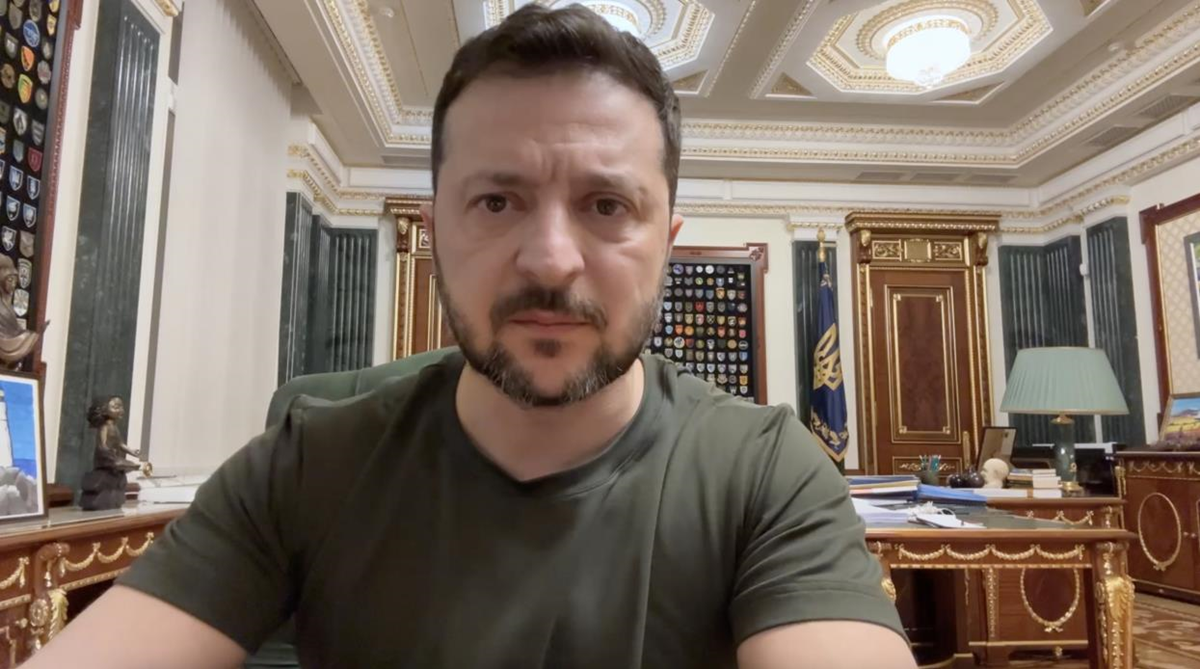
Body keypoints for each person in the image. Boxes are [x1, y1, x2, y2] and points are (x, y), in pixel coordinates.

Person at [27, 6, 914, 668]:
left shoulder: (767, 473)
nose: (551, 258)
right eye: (497, 201)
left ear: (666, 245)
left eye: (607, 205)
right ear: (436, 234)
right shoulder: (306, 463)